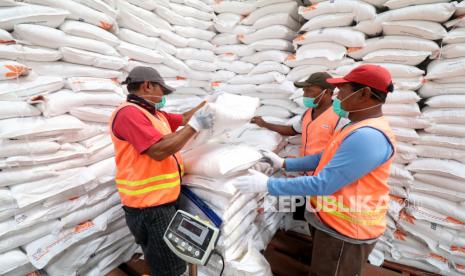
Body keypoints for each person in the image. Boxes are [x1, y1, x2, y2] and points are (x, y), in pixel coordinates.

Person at [234, 64, 396, 276]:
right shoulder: (354, 126)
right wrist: (284, 164)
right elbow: (324, 157)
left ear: (364, 94)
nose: (337, 97)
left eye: (343, 91)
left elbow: (324, 183)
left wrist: (268, 185)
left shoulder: (369, 136)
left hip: (346, 232)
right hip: (332, 221)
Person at [109, 66, 214, 276]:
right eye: (162, 91)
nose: (163, 96)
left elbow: (183, 118)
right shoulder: (128, 114)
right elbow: (158, 151)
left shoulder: (155, 115)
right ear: (147, 85)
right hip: (149, 207)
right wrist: (195, 127)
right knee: (170, 268)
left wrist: (209, 105)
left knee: (162, 261)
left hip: (162, 202)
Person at [252, 72, 346, 220]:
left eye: (310, 91)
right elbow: (293, 130)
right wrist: (265, 124)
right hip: (304, 171)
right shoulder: (308, 113)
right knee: (301, 213)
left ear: (327, 92)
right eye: (304, 91)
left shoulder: (340, 116)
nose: (305, 94)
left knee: (320, 218)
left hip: (324, 176)